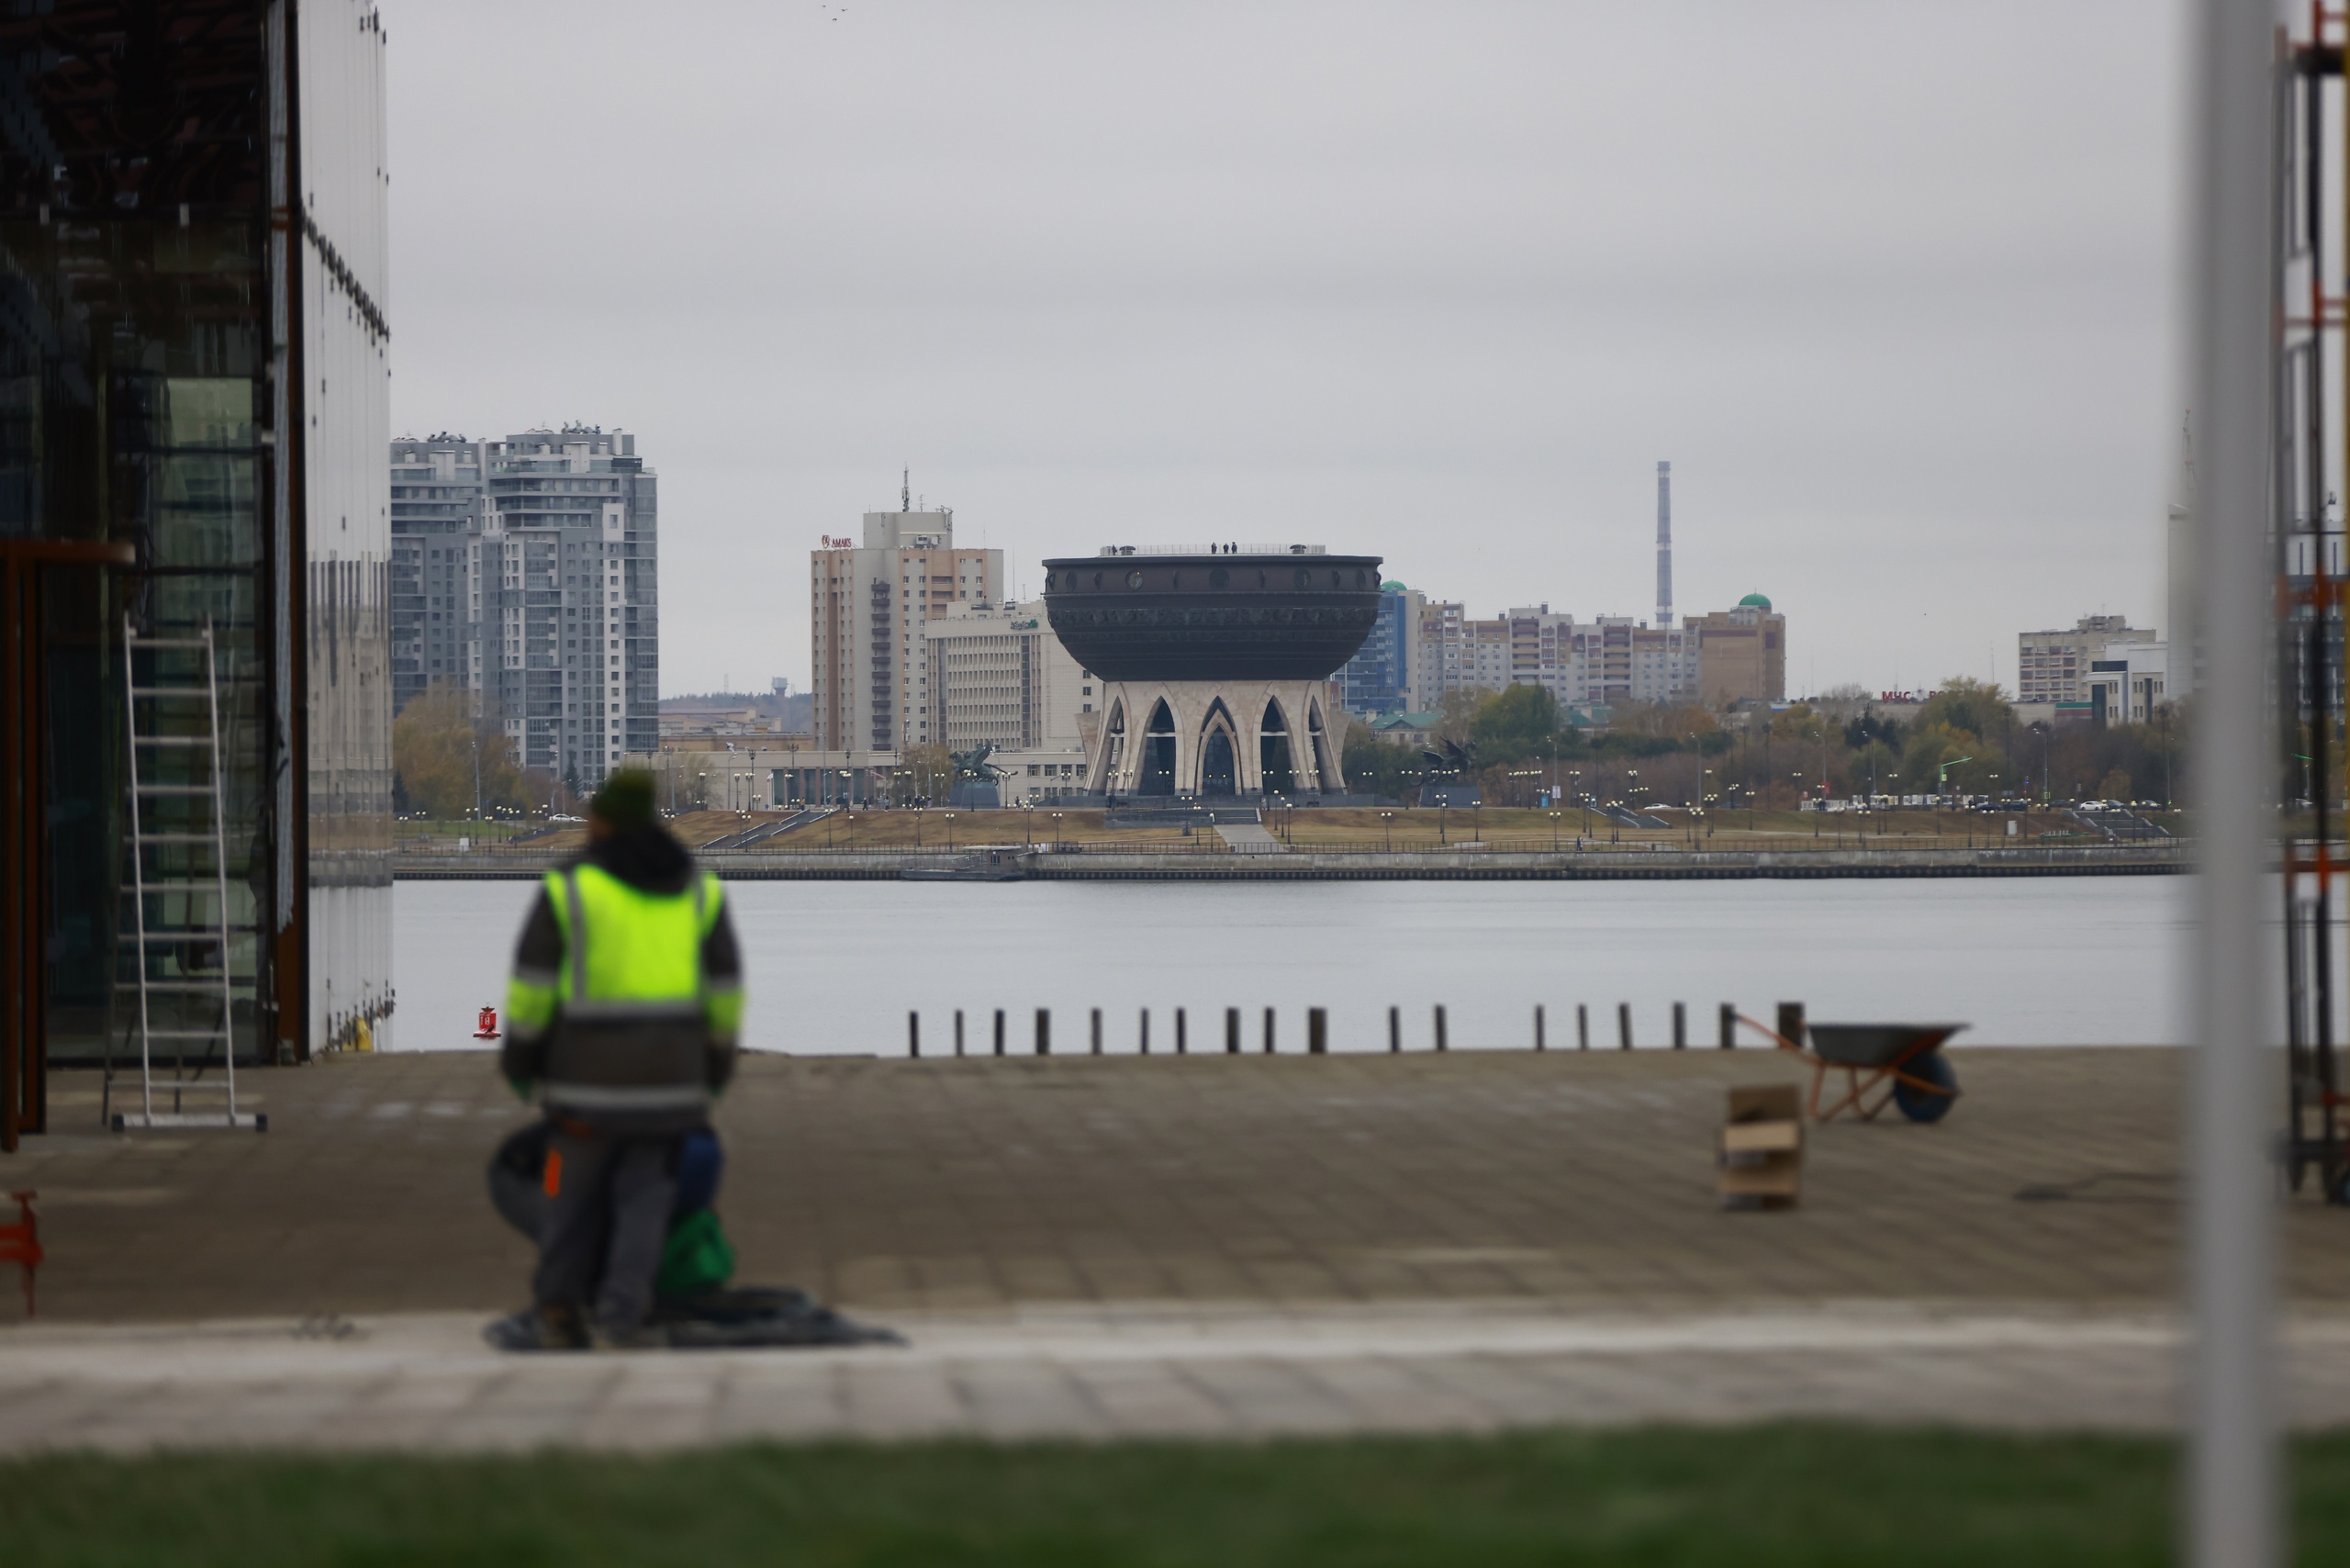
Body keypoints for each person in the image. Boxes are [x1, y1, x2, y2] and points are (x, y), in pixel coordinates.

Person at [494, 770, 743, 1350]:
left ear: (603, 822)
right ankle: (622, 1316)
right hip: (670, 1091)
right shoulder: (699, 890)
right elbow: (725, 992)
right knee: (645, 1203)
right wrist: (715, 1068)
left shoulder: (570, 890)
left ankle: (559, 1310)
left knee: (569, 1199)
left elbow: (532, 987)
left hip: (586, 1088)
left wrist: (521, 1060)